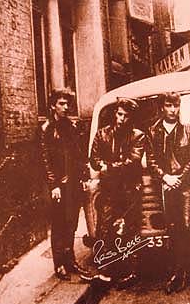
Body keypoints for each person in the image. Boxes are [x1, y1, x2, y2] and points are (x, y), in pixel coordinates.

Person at [146, 92, 190, 293]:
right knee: (172, 227)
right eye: (168, 106)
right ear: (162, 107)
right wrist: (165, 177)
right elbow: (151, 159)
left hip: (185, 185)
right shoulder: (152, 131)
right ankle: (179, 270)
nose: (172, 110)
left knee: (185, 226)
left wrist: (179, 178)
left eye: (175, 106)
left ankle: (180, 274)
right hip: (166, 184)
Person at [89, 98, 145, 286]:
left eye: (126, 116)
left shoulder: (138, 136)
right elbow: (94, 159)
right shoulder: (102, 133)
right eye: (119, 114)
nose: (121, 119)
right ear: (116, 114)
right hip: (109, 190)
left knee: (130, 229)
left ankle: (132, 272)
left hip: (130, 190)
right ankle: (106, 271)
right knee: (105, 229)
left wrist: (108, 166)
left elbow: (132, 162)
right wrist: (105, 166)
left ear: (131, 118)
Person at [40, 88, 91, 281]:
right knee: (59, 224)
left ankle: (70, 260)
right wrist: (53, 184)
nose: (65, 107)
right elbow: (45, 160)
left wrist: (83, 177)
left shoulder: (71, 126)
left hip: (73, 183)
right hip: (58, 186)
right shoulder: (46, 129)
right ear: (53, 105)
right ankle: (59, 264)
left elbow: (78, 154)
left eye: (67, 104)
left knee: (71, 223)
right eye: (61, 103)